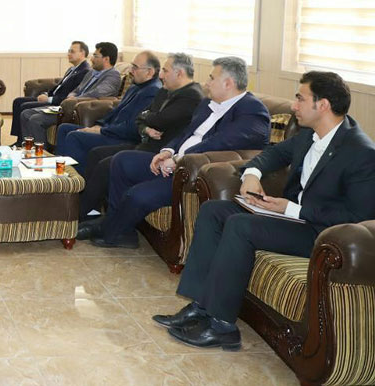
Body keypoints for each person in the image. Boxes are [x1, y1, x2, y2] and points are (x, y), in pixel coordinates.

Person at [153, 71, 375, 350]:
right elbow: (273, 154)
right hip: (293, 218)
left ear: (323, 105)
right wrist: (252, 174)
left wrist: (292, 209)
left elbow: (358, 217)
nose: (294, 106)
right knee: (213, 211)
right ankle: (200, 306)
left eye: (300, 99)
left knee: (240, 226)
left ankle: (222, 325)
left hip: (321, 233)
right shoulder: (310, 135)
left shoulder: (361, 152)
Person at [92, 56, 270, 248]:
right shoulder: (207, 103)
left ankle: (110, 229)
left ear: (228, 83)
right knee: (122, 161)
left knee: (137, 195)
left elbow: (219, 143)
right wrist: (168, 151)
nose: (206, 83)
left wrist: (179, 159)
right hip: (174, 162)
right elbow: (186, 133)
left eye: (211, 78)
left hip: (194, 174)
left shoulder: (252, 111)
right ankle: (119, 230)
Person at [76, 53, 204, 227]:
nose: (161, 75)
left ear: (179, 73)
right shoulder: (165, 90)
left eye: (165, 71)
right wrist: (146, 126)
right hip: (146, 145)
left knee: (109, 164)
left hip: (157, 152)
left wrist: (147, 118)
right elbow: (141, 118)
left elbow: (158, 120)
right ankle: (89, 211)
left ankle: (92, 218)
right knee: (96, 154)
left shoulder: (191, 96)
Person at [55, 51, 163, 175]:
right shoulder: (135, 87)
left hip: (122, 138)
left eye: (135, 67)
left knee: (75, 137)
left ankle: (76, 181)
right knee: (64, 128)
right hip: (111, 131)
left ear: (149, 72)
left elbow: (132, 127)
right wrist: (99, 125)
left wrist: (102, 131)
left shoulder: (152, 92)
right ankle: (58, 174)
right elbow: (115, 111)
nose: (130, 71)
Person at [21, 42, 123, 147]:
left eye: (95, 56)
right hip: (68, 106)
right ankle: (27, 147)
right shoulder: (91, 73)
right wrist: (72, 95)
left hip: (82, 110)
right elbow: (77, 89)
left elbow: (97, 93)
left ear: (106, 59)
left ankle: (40, 152)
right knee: (26, 113)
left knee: (36, 119)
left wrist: (75, 99)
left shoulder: (113, 76)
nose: (91, 59)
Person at [10, 41, 91, 146]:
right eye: (68, 51)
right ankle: (21, 141)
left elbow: (70, 95)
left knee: (25, 107)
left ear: (82, 53)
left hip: (58, 103)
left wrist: (49, 99)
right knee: (18, 101)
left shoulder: (84, 71)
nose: (69, 54)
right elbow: (58, 87)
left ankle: (25, 142)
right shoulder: (72, 69)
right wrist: (46, 94)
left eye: (72, 51)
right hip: (53, 98)